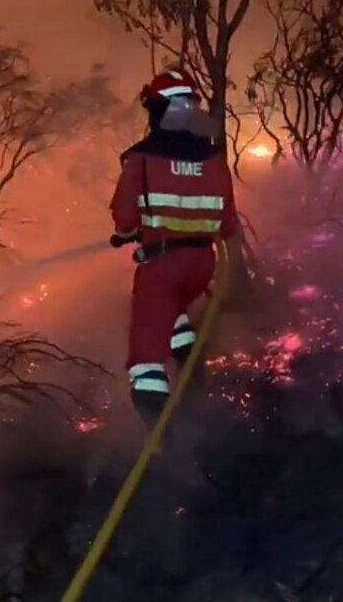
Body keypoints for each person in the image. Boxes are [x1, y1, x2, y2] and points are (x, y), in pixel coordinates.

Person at [109, 69, 240, 428]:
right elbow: (228, 226)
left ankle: (164, 439)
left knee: (145, 359)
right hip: (202, 266)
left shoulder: (141, 158)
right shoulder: (214, 159)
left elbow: (124, 221)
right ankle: (190, 365)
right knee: (172, 308)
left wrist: (138, 229)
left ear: (156, 110)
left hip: (162, 265)